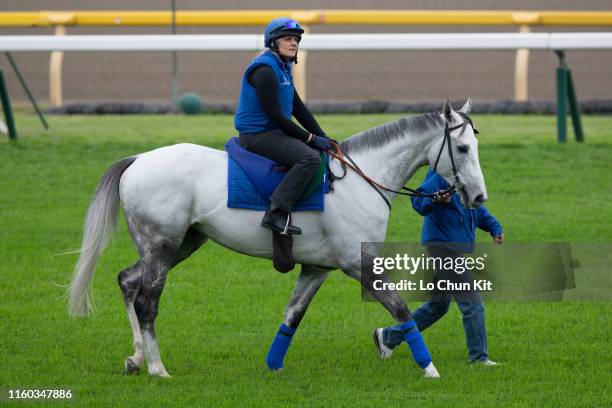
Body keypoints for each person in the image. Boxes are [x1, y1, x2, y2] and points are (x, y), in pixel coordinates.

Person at [373, 168, 504, 365]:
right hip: (443, 247)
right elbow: (418, 201)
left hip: (452, 248)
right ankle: (478, 357)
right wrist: (435, 199)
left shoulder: (465, 174)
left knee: (438, 306)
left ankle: (389, 337)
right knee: (473, 302)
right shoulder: (439, 176)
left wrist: (494, 227)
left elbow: (475, 208)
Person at [234, 17, 333, 235]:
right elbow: (277, 117)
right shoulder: (264, 71)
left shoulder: (283, 67)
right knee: (309, 158)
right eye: (288, 39)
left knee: (318, 151)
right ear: (273, 43)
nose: (294, 43)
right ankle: (276, 212)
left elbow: (298, 108)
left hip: (273, 131)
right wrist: (311, 139)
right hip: (257, 135)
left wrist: (324, 137)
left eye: (296, 39)